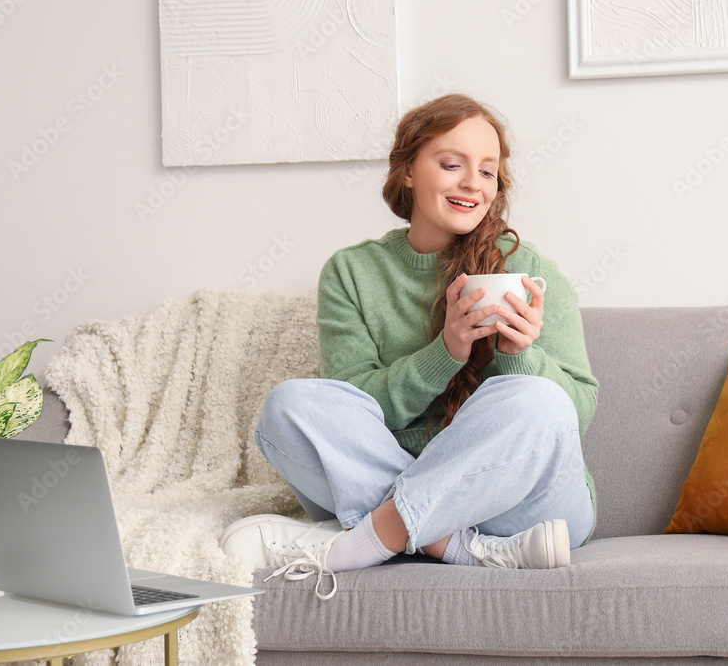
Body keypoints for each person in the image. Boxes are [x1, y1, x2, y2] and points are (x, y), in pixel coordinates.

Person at [220, 93, 598, 600]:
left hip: (523, 509)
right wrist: (446, 351)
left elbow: (573, 416)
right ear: (407, 172)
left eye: (488, 172)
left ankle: (358, 545)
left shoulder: (533, 272)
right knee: (290, 404)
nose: (472, 183)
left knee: (538, 399)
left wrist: (519, 353)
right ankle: (455, 545)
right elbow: (353, 402)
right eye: (451, 164)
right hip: (514, 540)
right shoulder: (352, 273)